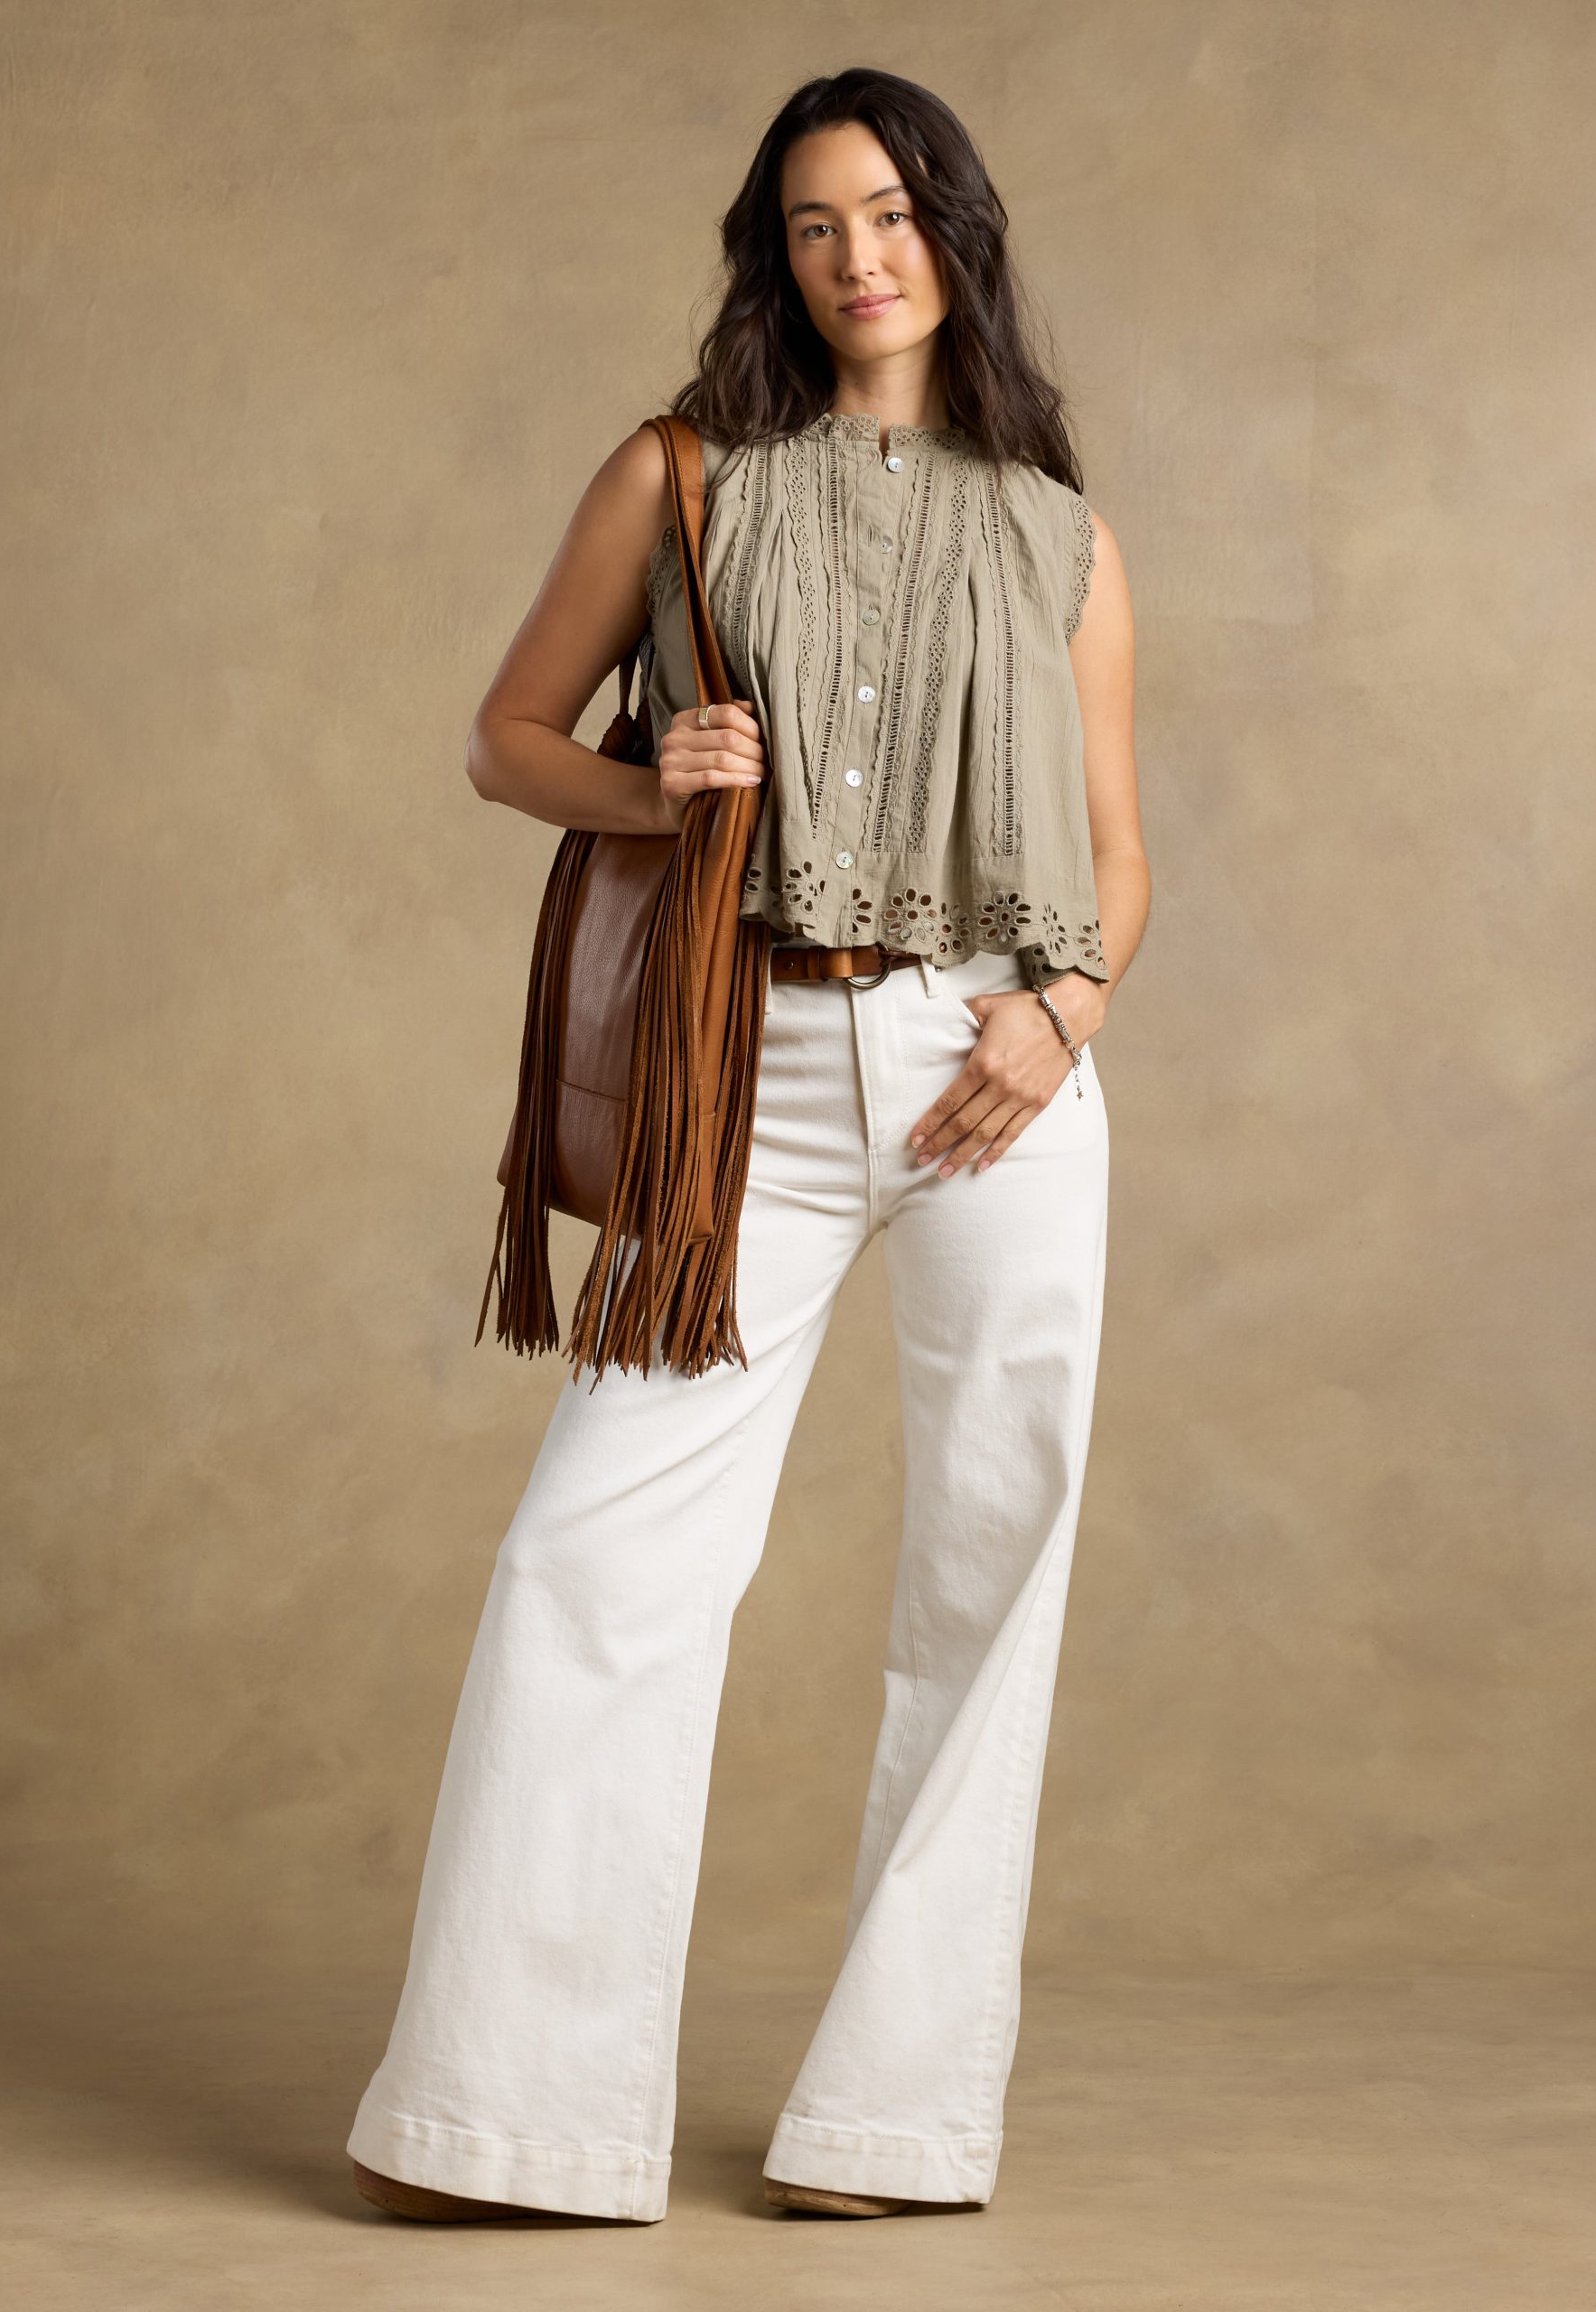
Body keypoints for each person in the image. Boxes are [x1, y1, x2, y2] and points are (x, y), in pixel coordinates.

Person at [347, 65, 1150, 2226]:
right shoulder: (677, 474)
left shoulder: (1058, 531)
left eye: (886, 213)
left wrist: (1058, 1015)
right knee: (593, 1555)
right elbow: (505, 738)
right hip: (752, 1067)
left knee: (991, 1565)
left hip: (998, 1077)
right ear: (772, 258)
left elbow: (1116, 857)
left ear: (950, 232)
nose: (854, 255)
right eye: (811, 224)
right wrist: (656, 780)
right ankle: (510, 2118)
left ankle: (894, 2123)